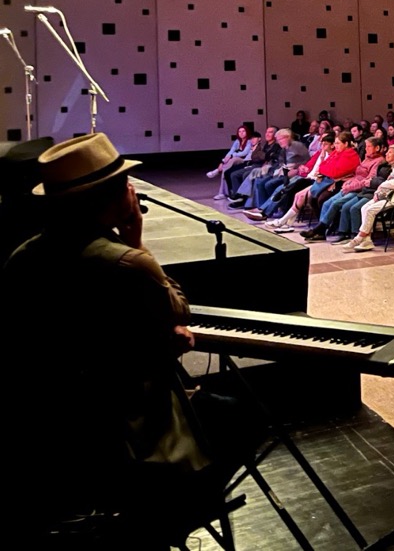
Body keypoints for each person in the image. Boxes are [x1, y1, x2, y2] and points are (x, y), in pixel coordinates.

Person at [2, 134, 240, 544]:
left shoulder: (21, 258)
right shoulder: (126, 262)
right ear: (112, 198)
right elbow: (178, 311)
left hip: (50, 435)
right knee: (238, 416)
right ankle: (167, 519)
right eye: (127, 185)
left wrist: (149, 341)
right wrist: (137, 243)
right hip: (125, 430)